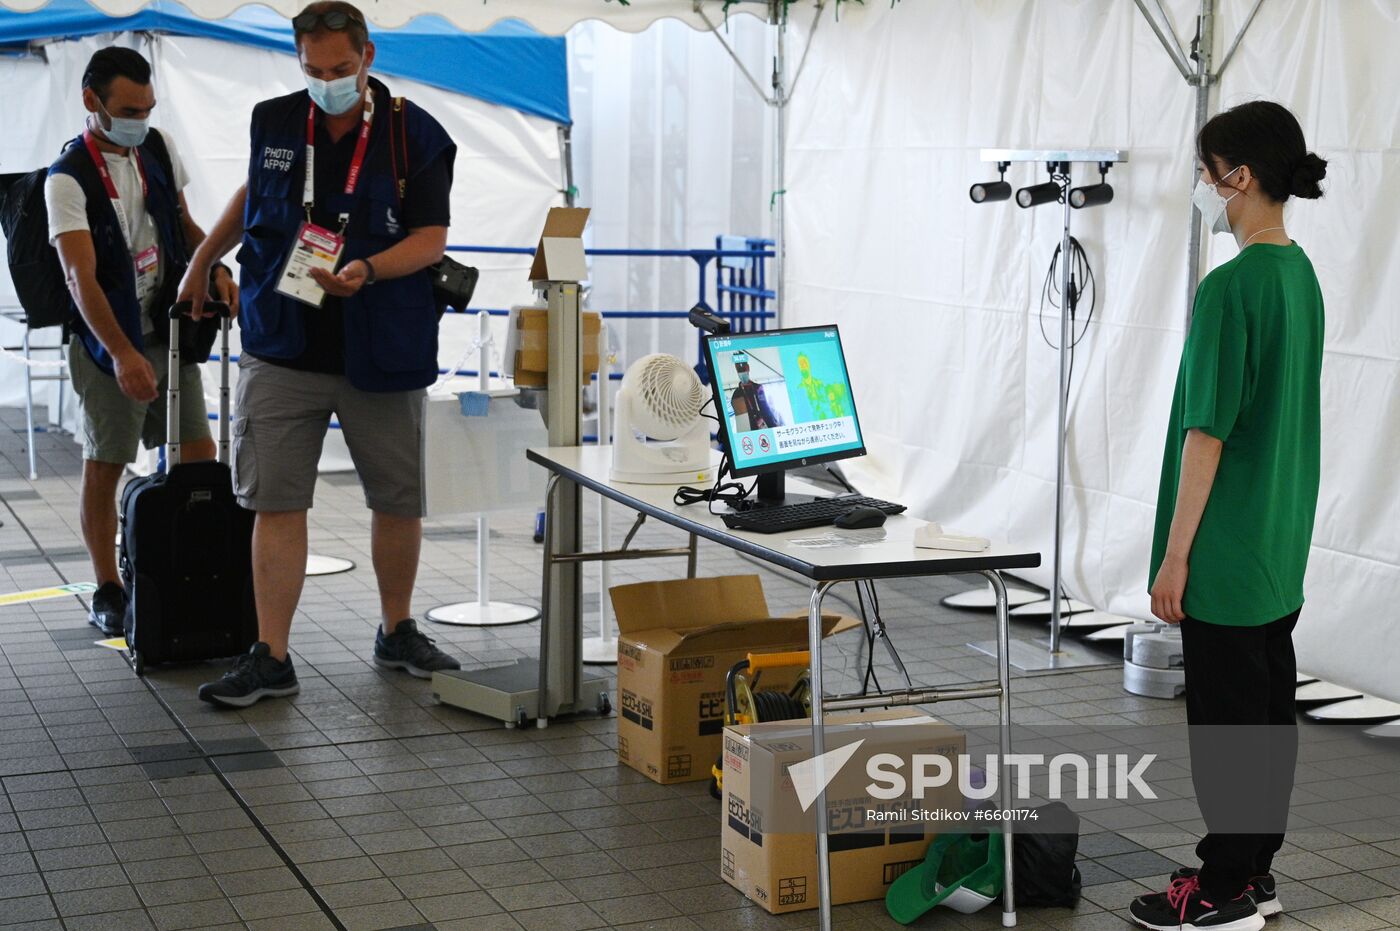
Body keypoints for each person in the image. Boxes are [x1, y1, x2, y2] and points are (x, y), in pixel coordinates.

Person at [179, 1, 461, 707]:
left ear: (366, 57)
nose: (326, 80)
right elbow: (255, 195)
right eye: (312, 68)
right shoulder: (276, 119)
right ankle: (270, 654)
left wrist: (368, 269)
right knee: (276, 499)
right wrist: (204, 256)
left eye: (339, 68)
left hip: (382, 339)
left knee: (397, 500)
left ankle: (397, 628)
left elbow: (431, 238)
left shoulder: (413, 133)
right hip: (283, 340)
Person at [1130, 101, 1327, 931]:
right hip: (1279, 544)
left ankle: (1223, 889)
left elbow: (1205, 437)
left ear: (1238, 177)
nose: (1205, 186)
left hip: (1228, 551)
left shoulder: (1231, 287)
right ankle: (1255, 870)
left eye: (1209, 170)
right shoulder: (1299, 273)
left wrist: (1175, 559)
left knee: (1226, 728)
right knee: (1266, 717)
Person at [47, 47, 238, 636]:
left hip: (169, 329)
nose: (141, 120)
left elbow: (183, 225)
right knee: (107, 462)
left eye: (148, 108)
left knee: (197, 455)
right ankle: (107, 586)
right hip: (108, 342)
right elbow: (81, 280)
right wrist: (125, 354)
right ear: (91, 102)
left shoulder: (156, 147)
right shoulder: (67, 179)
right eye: (128, 110)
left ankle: (187, 566)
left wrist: (216, 268)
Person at [729, 351, 780, 431]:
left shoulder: (758, 388)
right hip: (750, 433)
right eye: (739, 369)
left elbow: (766, 409)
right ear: (736, 370)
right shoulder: (736, 394)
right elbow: (739, 420)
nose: (741, 372)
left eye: (743, 368)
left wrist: (774, 426)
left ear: (748, 367)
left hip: (767, 428)